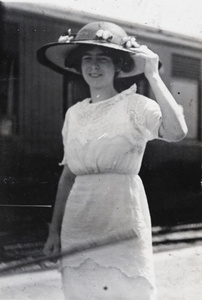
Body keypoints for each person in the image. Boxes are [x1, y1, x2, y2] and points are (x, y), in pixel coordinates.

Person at [37, 21, 188, 299]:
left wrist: (153, 76)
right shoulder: (74, 114)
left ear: (118, 65)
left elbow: (177, 132)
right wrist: (54, 231)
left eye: (103, 58)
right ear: (77, 64)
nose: (94, 66)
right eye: (87, 58)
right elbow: (68, 175)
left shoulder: (136, 105)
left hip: (121, 217)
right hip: (78, 221)